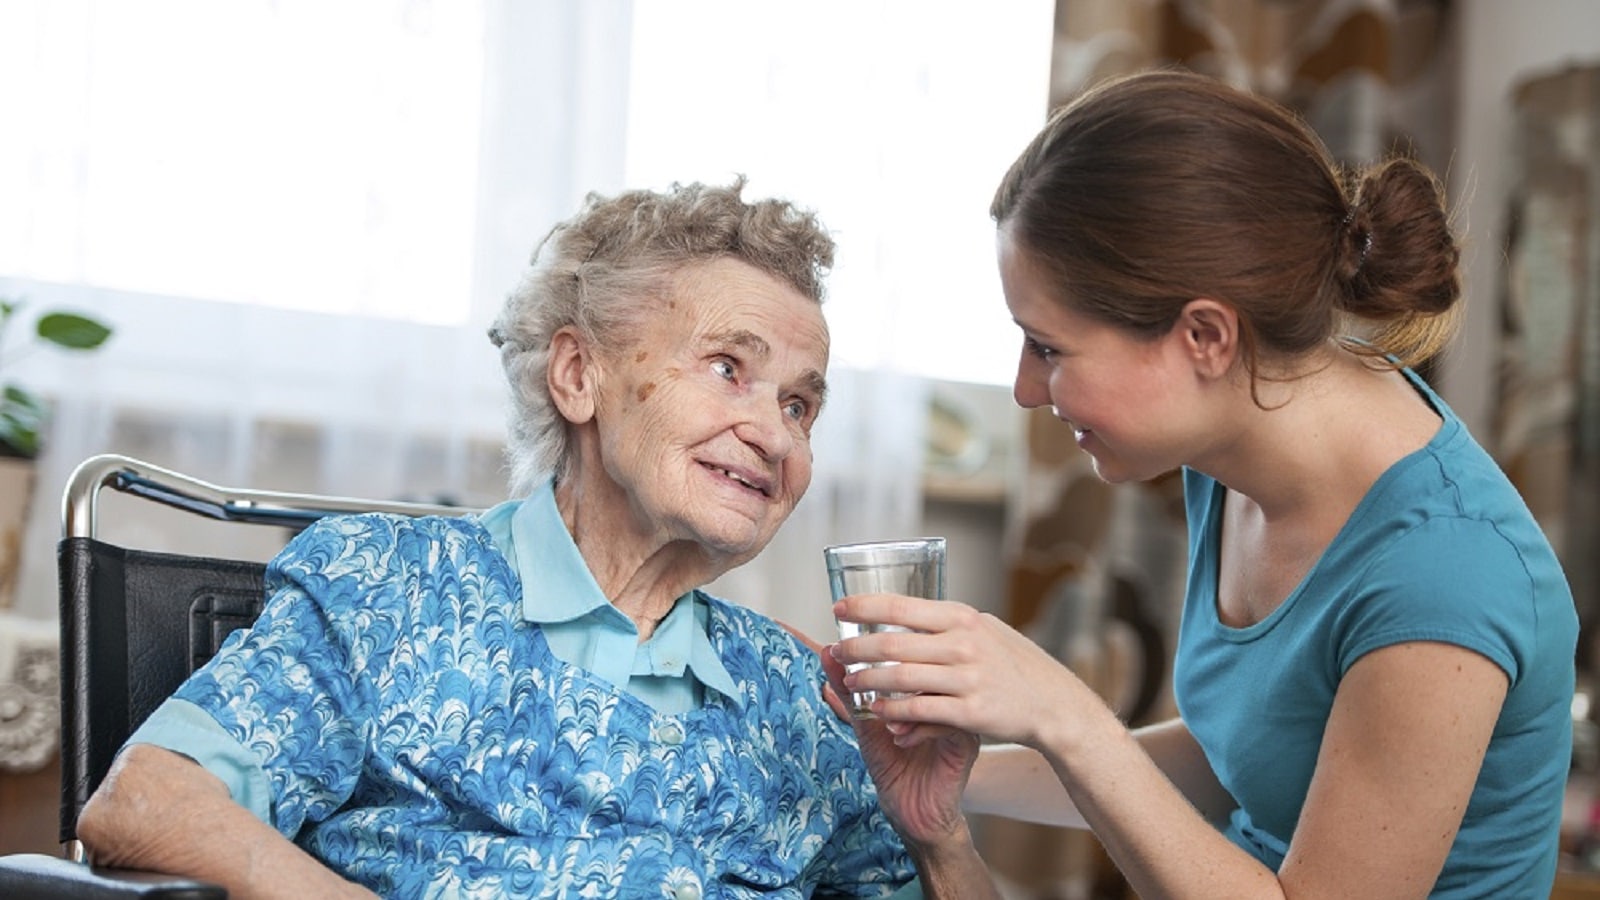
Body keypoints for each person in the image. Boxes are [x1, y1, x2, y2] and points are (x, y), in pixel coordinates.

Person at [74, 179, 984, 898]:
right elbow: (148, 803)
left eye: (799, 404)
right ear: (579, 374)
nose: (777, 436)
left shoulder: (793, 692)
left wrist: (938, 837)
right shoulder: (390, 592)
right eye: (727, 368)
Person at [829, 69, 1578, 898]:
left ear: (1206, 337)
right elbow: (1249, 753)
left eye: (1048, 348)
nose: (1025, 389)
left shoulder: (1446, 575)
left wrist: (1062, 713)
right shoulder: (1236, 449)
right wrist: (930, 771)